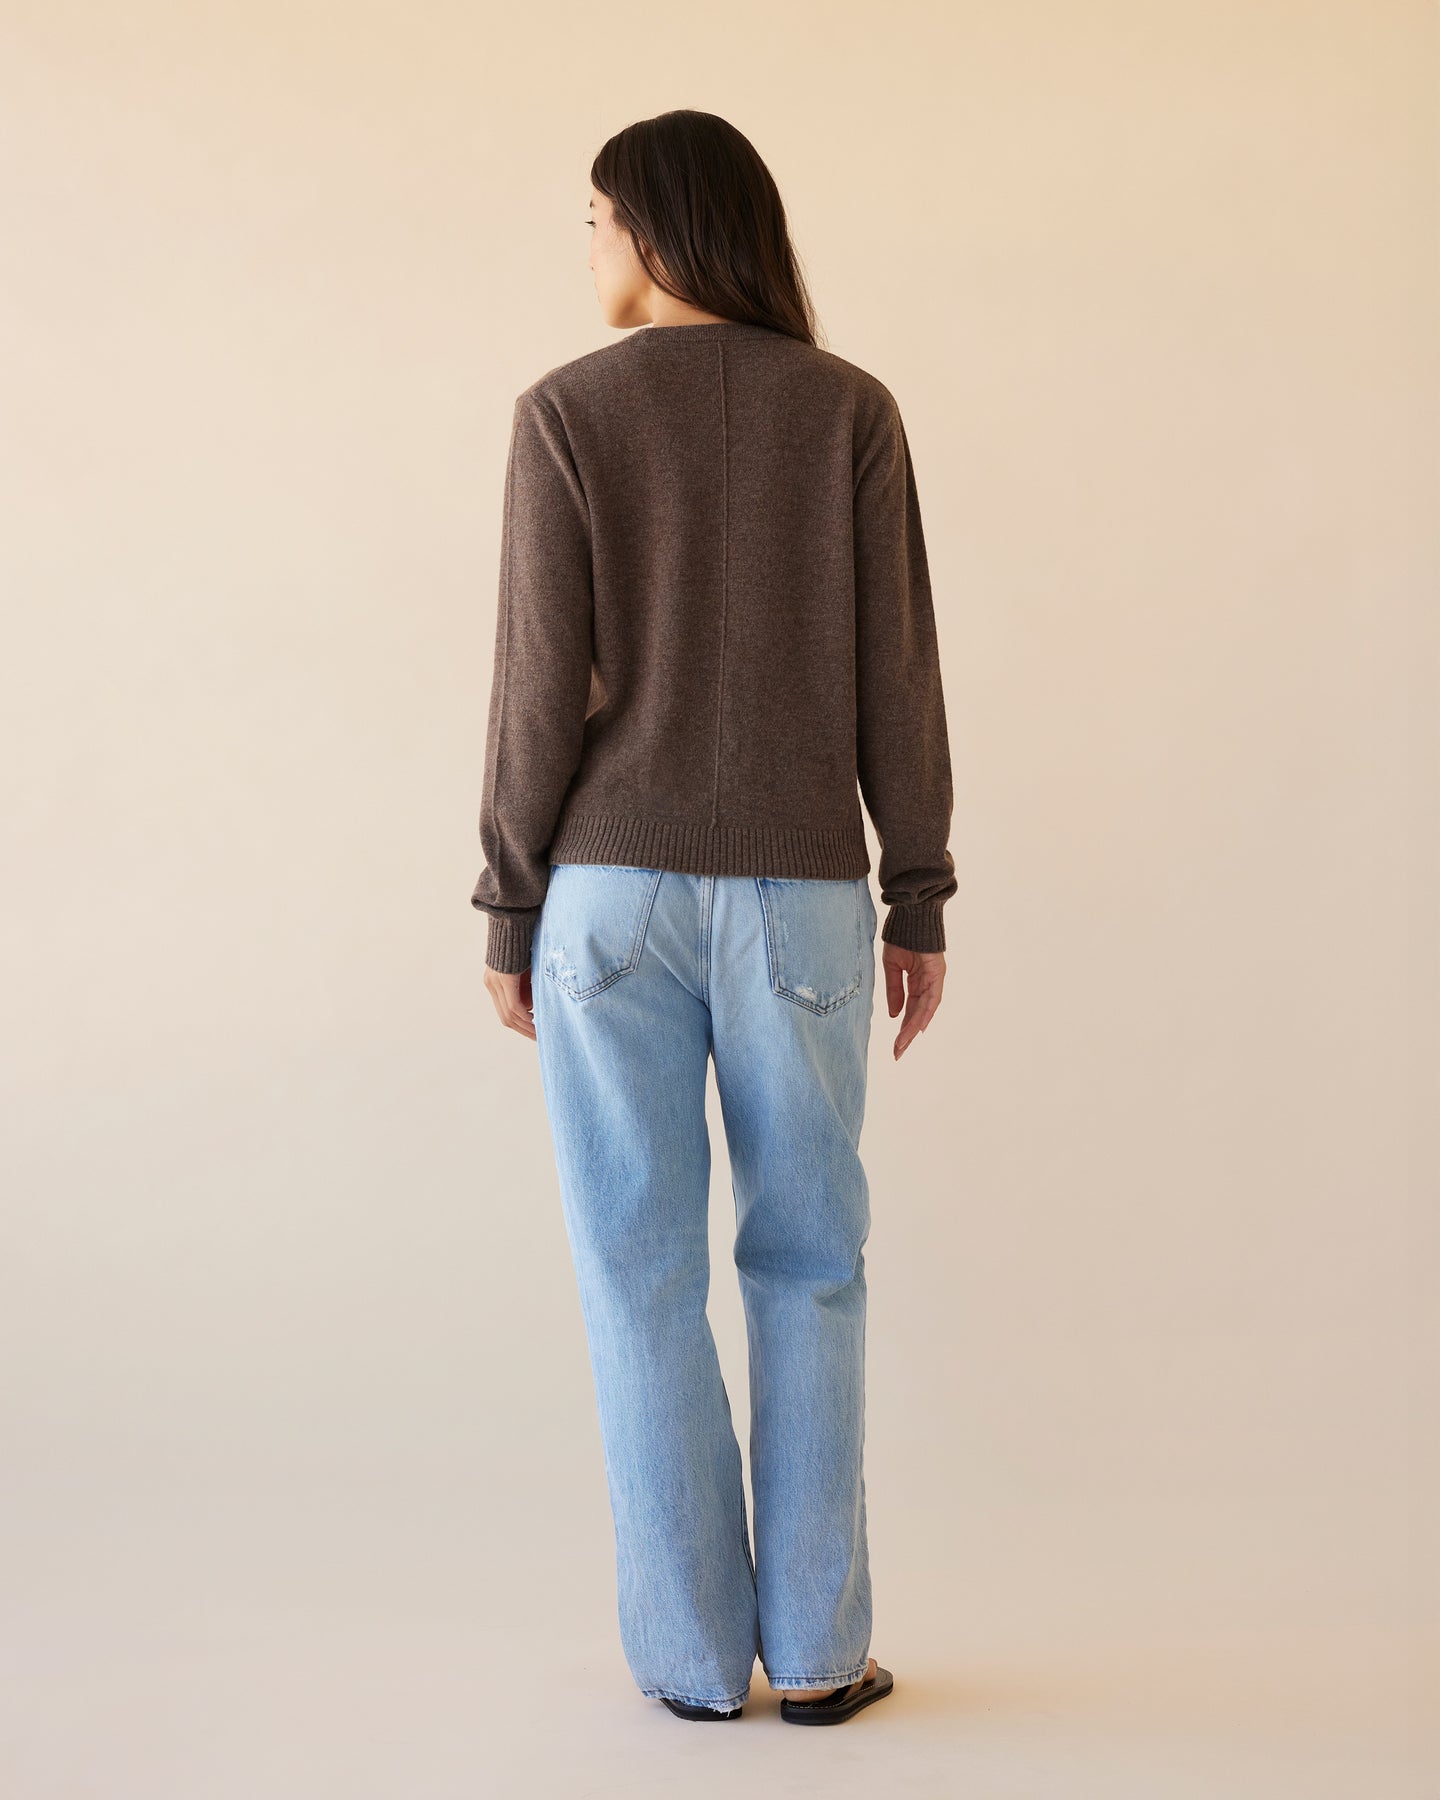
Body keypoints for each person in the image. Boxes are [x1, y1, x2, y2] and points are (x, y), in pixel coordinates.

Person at [470, 109, 955, 1725]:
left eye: (596, 218)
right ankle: (816, 1657)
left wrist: (508, 903)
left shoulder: (565, 414)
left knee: (637, 1272)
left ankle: (689, 1666)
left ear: (659, 228)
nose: (588, 247)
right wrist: (918, 888)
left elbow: (537, 689)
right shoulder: (850, 412)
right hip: (805, 899)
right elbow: (899, 675)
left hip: (607, 898)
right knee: (812, 1263)